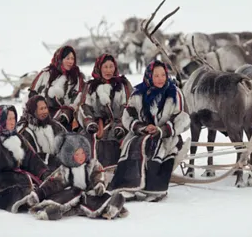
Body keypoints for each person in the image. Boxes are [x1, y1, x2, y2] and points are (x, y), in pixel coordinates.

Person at [108, 60, 190, 202]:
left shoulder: (175, 93)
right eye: (156, 75)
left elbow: (183, 118)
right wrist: (142, 127)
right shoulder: (138, 93)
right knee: (131, 146)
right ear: (149, 76)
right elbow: (128, 115)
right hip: (141, 133)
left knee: (161, 149)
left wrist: (161, 130)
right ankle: (128, 186)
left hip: (167, 135)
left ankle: (155, 188)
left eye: (163, 75)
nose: (160, 79)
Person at [0, 105, 51, 213]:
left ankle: (41, 198)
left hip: (16, 181)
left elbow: (33, 160)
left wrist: (45, 174)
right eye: (8, 119)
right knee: (19, 193)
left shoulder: (17, 138)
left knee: (44, 190)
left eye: (14, 118)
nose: (12, 122)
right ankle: (28, 200)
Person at [27, 132, 128, 220]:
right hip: (73, 194)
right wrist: (39, 193)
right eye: (77, 154)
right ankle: (51, 211)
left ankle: (113, 206)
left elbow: (98, 174)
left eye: (82, 153)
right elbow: (53, 182)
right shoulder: (66, 170)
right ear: (69, 156)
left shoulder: (91, 164)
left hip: (89, 194)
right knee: (64, 197)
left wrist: (99, 184)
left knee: (101, 199)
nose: (81, 157)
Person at [76, 53, 133, 168]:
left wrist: (120, 125)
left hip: (118, 125)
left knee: (124, 142)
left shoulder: (123, 85)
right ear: (99, 68)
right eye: (105, 67)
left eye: (111, 67)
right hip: (96, 126)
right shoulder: (90, 86)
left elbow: (127, 107)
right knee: (85, 141)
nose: (108, 70)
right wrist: (90, 123)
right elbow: (83, 106)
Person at [27, 45, 85, 131]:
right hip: (41, 114)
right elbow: (33, 93)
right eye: (67, 58)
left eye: (72, 59)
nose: (70, 61)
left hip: (65, 118)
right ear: (60, 59)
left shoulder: (76, 77)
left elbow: (78, 97)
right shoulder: (46, 73)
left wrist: (68, 111)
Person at [17, 95, 67, 171]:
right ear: (33, 111)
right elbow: (28, 158)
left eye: (45, 108)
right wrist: (50, 159)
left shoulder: (56, 126)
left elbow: (68, 143)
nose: (44, 111)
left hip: (60, 169)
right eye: (41, 109)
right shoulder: (25, 131)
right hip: (38, 173)